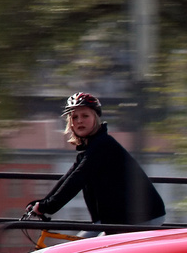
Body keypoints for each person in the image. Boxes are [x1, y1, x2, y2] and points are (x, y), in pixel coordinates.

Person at [27, 92, 166, 234]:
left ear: (96, 118)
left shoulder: (102, 146)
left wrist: (48, 206)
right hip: (115, 218)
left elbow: (77, 179)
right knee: (79, 247)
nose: (79, 121)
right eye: (75, 117)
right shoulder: (89, 147)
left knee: (87, 251)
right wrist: (43, 202)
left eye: (85, 116)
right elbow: (68, 177)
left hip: (142, 217)